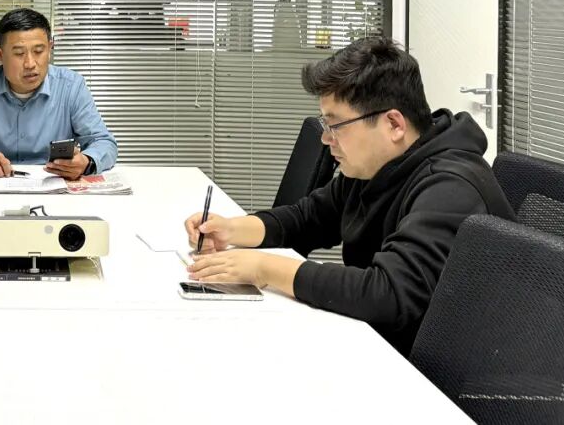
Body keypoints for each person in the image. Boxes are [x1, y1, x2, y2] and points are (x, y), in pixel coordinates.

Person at [183, 36, 514, 354]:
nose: (326, 139)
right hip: (383, 342)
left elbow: (389, 293)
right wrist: (231, 229)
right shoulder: (377, 165)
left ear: (394, 124)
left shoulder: (450, 187)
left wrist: (265, 269)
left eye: (336, 125)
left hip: (437, 372)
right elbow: (309, 218)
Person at [0, 8, 117, 180]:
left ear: (50, 48)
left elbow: (103, 142)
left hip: (53, 187)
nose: (30, 64)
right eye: (19, 53)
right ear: (0, 55)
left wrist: (87, 161)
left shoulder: (71, 86)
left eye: (39, 51)